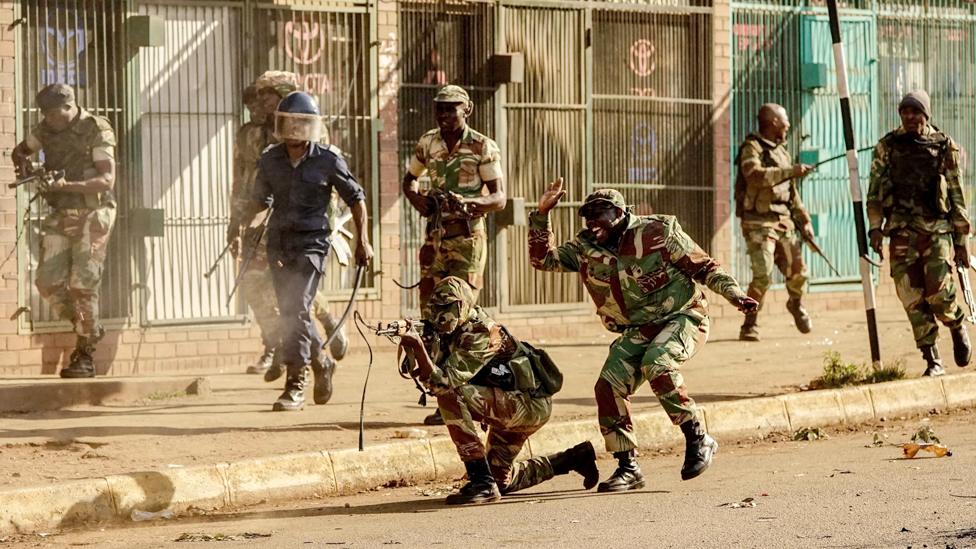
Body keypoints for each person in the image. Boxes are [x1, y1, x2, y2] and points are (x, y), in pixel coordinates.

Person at [529, 181, 758, 492]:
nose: (593, 222)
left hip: (683, 315)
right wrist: (542, 214)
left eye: (600, 214)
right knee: (608, 386)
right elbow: (542, 260)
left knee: (658, 363)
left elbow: (704, 269)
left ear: (621, 213)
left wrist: (736, 295)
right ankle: (628, 467)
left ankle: (698, 437)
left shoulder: (658, 231)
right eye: (588, 216)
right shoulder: (585, 248)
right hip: (638, 328)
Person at [397, 276, 599, 505]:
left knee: (451, 395)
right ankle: (572, 459)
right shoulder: (452, 330)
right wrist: (423, 345)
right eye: (434, 308)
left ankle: (481, 481)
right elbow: (435, 373)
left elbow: (443, 383)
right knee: (501, 480)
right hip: (511, 402)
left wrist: (419, 348)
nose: (438, 315)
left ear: (462, 306)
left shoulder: (481, 332)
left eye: (445, 308)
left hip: (529, 404)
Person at [239, 91, 373, 411]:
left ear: (311, 125)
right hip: (279, 244)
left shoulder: (328, 159)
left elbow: (356, 198)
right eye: (289, 122)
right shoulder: (270, 159)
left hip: (312, 243)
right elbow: (261, 201)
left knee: (296, 306)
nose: (295, 128)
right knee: (291, 312)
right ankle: (322, 362)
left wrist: (363, 241)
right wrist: (248, 226)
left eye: (301, 122)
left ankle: (295, 383)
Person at [227, 71, 349, 381]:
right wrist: (236, 223)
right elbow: (241, 181)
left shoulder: (308, 129)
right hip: (258, 217)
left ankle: (315, 335)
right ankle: (278, 343)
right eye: (259, 96)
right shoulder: (249, 134)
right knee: (255, 283)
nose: (260, 101)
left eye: (268, 95)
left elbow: (324, 182)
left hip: (297, 222)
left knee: (294, 292)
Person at [401, 83, 506, 426]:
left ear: (467, 110)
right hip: (435, 240)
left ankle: (474, 394)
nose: (445, 115)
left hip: (467, 241)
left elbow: (499, 198)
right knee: (432, 319)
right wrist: (419, 201)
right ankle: (443, 396)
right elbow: (409, 181)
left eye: (451, 109)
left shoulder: (481, 146)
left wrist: (470, 205)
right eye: (440, 109)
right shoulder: (428, 142)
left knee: (460, 318)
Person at [12, 84, 117, 378]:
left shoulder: (96, 128)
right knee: (46, 282)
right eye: (45, 114)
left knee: (82, 285)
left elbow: (107, 179)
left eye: (55, 114)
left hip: (93, 212)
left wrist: (65, 185)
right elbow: (19, 151)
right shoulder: (45, 128)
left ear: (70, 107)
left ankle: (84, 354)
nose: (50, 120)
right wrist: (29, 170)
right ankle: (89, 325)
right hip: (61, 213)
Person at [867, 89, 972, 377]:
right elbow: (874, 193)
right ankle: (932, 359)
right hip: (901, 230)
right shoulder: (887, 147)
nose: (910, 117)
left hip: (936, 230)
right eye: (905, 112)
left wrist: (961, 242)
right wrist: (875, 229)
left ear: (926, 115)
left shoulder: (943, 146)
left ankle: (955, 323)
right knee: (910, 295)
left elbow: (957, 196)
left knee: (938, 291)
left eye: (916, 112)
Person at [734, 103, 815, 341]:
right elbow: (754, 175)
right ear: (774, 122)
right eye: (785, 121)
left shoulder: (782, 152)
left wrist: (805, 220)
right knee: (763, 275)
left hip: (783, 222)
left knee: (799, 272)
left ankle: (796, 304)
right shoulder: (752, 147)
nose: (788, 125)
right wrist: (790, 171)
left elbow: (792, 193)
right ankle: (749, 324)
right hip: (758, 223)